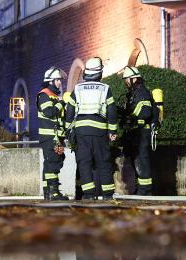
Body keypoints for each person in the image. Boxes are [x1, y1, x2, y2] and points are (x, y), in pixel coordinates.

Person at [65, 57, 118, 200]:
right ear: (99, 73)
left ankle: (88, 195)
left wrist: (68, 130)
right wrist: (113, 131)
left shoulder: (77, 88)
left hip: (81, 131)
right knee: (103, 162)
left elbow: (69, 111)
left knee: (84, 162)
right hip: (99, 131)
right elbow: (112, 111)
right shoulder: (105, 89)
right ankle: (107, 195)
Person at [122, 66, 155, 195]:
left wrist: (131, 116)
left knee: (142, 160)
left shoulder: (142, 92)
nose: (125, 82)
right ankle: (140, 188)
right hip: (136, 132)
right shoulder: (133, 93)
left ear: (134, 78)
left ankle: (146, 190)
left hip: (143, 132)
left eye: (127, 79)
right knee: (136, 160)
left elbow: (145, 112)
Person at [37, 67, 69, 200]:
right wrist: (62, 102)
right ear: (51, 81)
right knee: (53, 163)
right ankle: (53, 193)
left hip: (55, 136)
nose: (60, 83)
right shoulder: (44, 95)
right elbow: (49, 112)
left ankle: (48, 192)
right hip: (50, 137)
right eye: (58, 80)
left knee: (52, 162)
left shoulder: (54, 96)